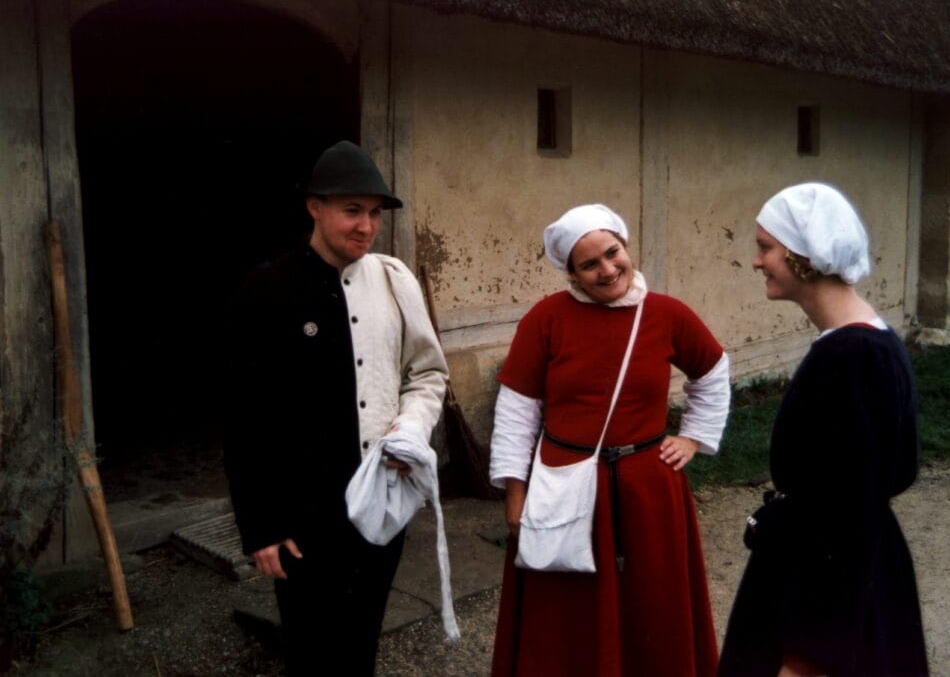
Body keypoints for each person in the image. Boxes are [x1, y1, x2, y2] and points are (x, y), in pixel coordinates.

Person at [222, 140, 449, 675]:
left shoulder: (394, 282)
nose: (366, 227)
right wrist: (260, 528)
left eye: (373, 213)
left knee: (361, 642)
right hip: (302, 518)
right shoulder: (266, 290)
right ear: (314, 207)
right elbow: (243, 418)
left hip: (378, 499)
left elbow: (428, 373)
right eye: (352, 210)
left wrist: (410, 428)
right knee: (311, 650)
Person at [489, 203, 731, 676]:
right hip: (565, 483)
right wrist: (516, 496)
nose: (607, 270)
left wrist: (694, 438)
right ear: (573, 274)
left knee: (652, 605)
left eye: (612, 253)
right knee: (564, 615)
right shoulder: (546, 319)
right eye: (589, 264)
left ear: (625, 246)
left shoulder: (666, 314)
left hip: (648, 490)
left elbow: (713, 372)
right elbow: (518, 409)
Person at [717, 182, 929, 677]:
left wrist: (808, 657)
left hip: (826, 599)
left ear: (803, 257)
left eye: (765, 247)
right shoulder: (864, 341)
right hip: (830, 572)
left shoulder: (851, 357)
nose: (756, 261)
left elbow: (846, 516)